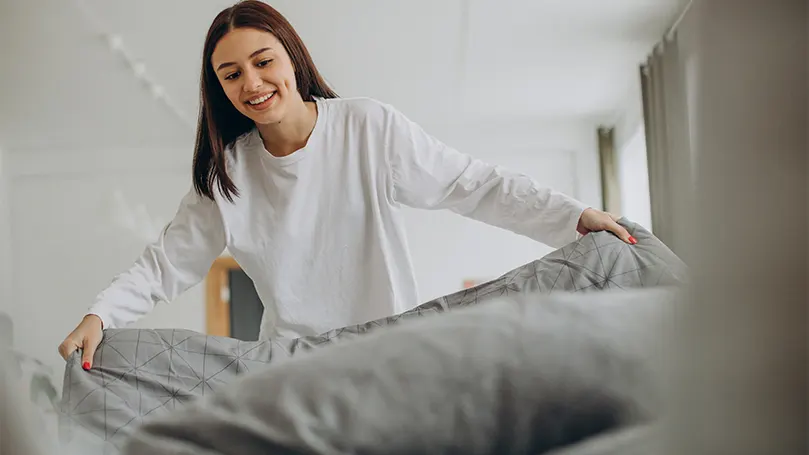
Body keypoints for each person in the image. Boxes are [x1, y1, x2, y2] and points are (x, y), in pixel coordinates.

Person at [58, 0, 636, 370]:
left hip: (392, 352)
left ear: (292, 57)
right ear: (219, 90)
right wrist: (100, 314)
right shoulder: (230, 173)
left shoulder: (366, 127)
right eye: (231, 75)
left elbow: (473, 184)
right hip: (292, 366)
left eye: (264, 62)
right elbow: (167, 264)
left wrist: (572, 217)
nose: (252, 83)